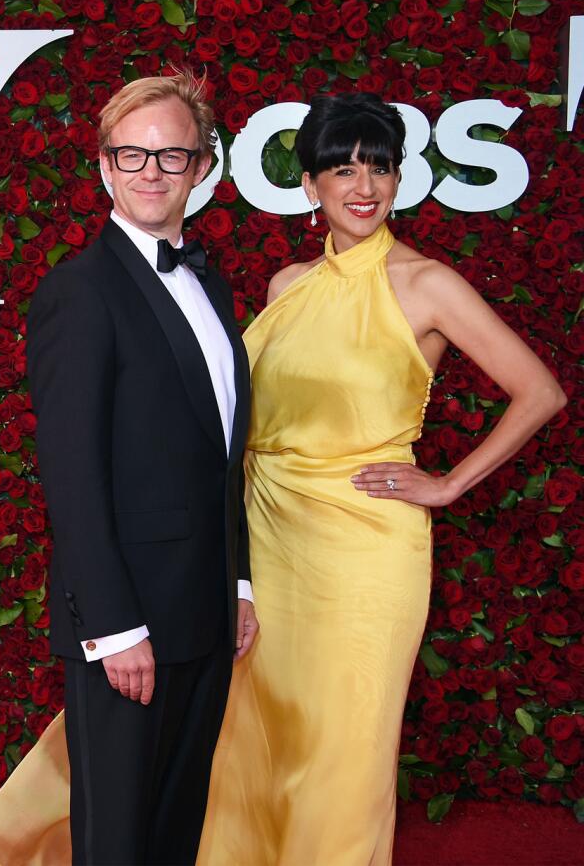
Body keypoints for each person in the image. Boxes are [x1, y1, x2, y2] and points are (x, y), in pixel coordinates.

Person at [195, 92, 566, 865]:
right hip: (269, 542)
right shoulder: (285, 288)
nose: (363, 185)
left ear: (400, 179)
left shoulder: (427, 283)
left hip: (367, 553)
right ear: (310, 189)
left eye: (380, 167)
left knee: (344, 756)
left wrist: (449, 484)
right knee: (260, 738)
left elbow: (541, 392)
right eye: (341, 168)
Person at [0, 70, 259, 866]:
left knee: (174, 829)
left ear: (203, 169)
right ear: (102, 166)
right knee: (117, 843)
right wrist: (110, 625)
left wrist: (236, 582)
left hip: (206, 610)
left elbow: (221, 453)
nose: (150, 173)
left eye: (172, 157)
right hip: (126, 618)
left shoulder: (213, 285)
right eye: (131, 155)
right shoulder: (80, 292)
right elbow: (70, 474)